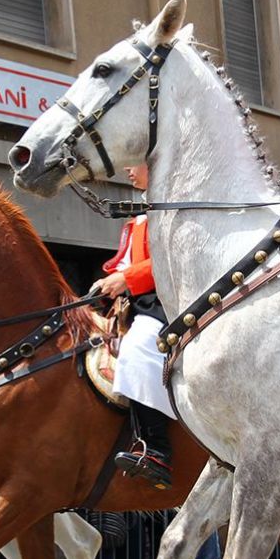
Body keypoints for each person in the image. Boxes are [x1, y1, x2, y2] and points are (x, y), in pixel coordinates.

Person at [92, 164, 176, 487]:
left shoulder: (169, 202)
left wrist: (125, 279)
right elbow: (127, 263)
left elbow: (170, 257)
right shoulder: (141, 207)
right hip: (139, 302)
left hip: (167, 302)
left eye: (134, 162)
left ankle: (156, 450)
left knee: (138, 347)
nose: (127, 169)